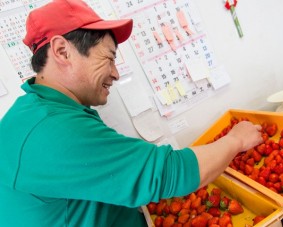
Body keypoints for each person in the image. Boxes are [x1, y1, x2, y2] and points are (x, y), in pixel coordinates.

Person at [0, 0, 263, 226]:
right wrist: (236, 140)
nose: (115, 73)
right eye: (109, 58)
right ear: (61, 51)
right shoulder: (51, 129)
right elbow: (171, 172)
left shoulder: (38, 111)